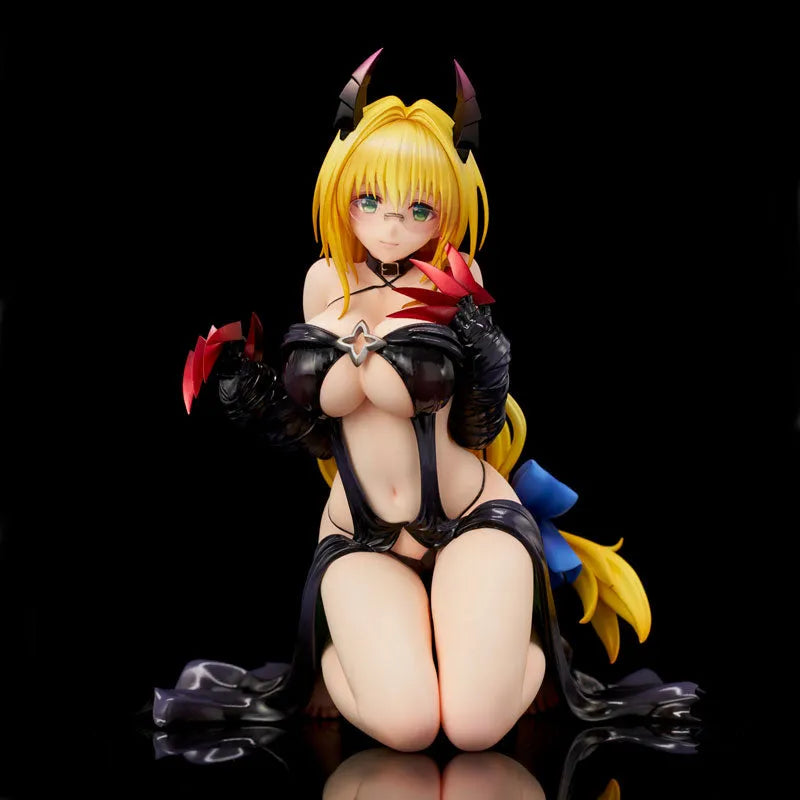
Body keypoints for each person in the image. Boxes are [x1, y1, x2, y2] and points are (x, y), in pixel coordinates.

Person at [154, 49, 700, 753]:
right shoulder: (324, 282)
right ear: (340, 191)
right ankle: (334, 664)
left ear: (448, 209)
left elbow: (481, 418)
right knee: (409, 729)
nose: (390, 226)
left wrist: (485, 353)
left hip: (468, 518)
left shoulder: (454, 278)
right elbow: (315, 430)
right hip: (359, 534)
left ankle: (537, 656)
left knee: (473, 729)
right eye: (370, 201)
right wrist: (254, 393)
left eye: (418, 208)